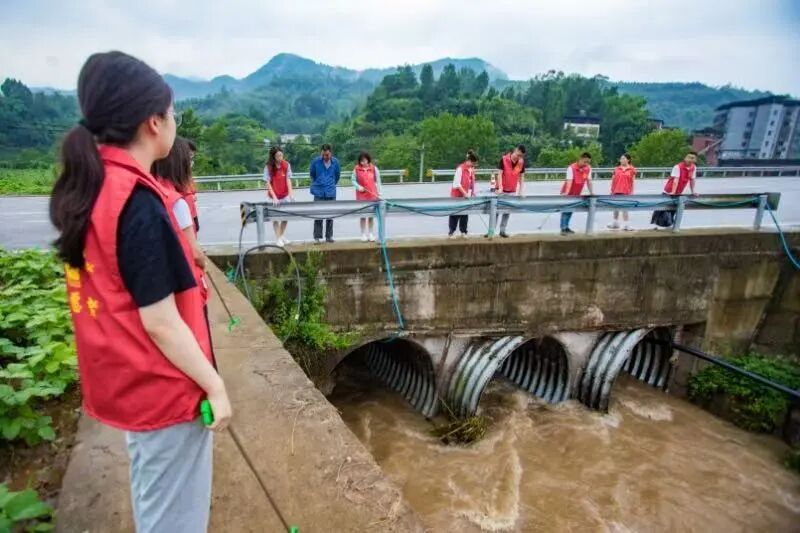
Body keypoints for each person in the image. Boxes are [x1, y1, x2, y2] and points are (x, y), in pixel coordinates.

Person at [48, 51, 231, 533]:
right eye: (172, 113)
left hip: (129, 380)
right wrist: (214, 384)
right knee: (175, 520)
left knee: (156, 499)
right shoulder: (139, 202)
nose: (174, 122)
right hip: (163, 389)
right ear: (154, 122)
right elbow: (161, 320)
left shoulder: (93, 186)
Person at [152, 137, 206, 271]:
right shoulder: (175, 200)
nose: (191, 162)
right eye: (189, 158)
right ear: (179, 161)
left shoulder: (151, 187)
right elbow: (194, 253)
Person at [651, 151, 699, 229]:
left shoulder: (693, 168)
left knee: (673, 209)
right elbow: (675, 180)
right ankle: (657, 225)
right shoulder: (678, 167)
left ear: (695, 160)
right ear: (685, 158)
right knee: (662, 208)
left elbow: (692, 180)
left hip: (679, 192)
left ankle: (669, 225)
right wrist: (673, 192)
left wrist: (693, 191)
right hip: (669, 190)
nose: (690, 159)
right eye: (688, 157)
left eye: (692, 158)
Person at [309, 143, 340, 243]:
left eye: (326, 155)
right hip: (319, 192)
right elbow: (312, 174)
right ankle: (317, 237)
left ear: (331, 153)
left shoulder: (336, 162)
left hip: (331, 191)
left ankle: (329, 236)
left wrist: (330, 184)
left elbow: (337, 176)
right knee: (318, 214)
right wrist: (319, 183)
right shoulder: (315, 162)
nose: (324, 157)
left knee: (330, 214)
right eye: (323, 154)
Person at [264, 146, 295, 246]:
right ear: (273, 157)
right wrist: (274, 197)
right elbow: (268, 183)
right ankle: (278, 238)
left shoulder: (286, 165)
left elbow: (288, 179)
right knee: (275, 218)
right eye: (278, 156)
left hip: (284, 195)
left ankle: (280, 236)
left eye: (281, 155)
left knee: (286, 217)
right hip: (273, 195)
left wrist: (291, 194)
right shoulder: (268, 167)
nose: (280, 157)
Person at [493, 144, 526, 238]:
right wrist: (500, 187)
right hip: (501, 190)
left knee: (507, 212)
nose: (519, 157)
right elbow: (499, 174)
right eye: (518, 155)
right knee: (496, 211)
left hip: (512, 190)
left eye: (521, 156)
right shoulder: (504, 159)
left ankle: (502, 231)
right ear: (516, 150)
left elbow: (522, 177)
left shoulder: (521, 162)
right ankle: (491, 231)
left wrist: (520, 191)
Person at [560, 152, 595, 235]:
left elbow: (589, 181)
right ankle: (563, 228)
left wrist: (592, 192)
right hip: (568, 192)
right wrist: (567, 193)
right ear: (580, 159)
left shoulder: (588, 168)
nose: (586, 164)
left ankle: (566, 227)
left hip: (577, 193)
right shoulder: (571, 168)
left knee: (571, 210)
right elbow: (569, 182)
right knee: (566, 210)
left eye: (588, 162)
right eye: (585, 162)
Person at [351, 151, 382, 242]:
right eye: (361, 161)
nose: (363, 163)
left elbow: (378, 181)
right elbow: (353, 180)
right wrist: (358, 187)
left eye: (364, 160)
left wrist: (379, 193)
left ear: (368, 160)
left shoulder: (374, 169)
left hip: (372, 195)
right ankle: (363, 234)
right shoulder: (356, 169)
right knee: (363, 215)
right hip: (361, 196)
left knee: (371, 215)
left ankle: (371, 234)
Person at [448, 150, 478, 238]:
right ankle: (451, 232)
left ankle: (463, 231)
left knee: (465, 214)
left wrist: (473, 192)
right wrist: (465, 193)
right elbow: (457, 184)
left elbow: (471, 182)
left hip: (466, 196)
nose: (473, 165)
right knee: (455, 214)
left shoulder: (471, 170)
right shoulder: (460, 169)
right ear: (469, 161)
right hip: (457, 195)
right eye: (473, 163)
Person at [608, 153, 637, 231]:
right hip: (616, 190)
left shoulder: (632, 169)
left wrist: (632, 191)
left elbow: (633, 182)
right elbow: (613, 180)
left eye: (624, 158)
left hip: (626, 191)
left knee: (625, 208)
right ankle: (615, 223)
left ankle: (626, 225)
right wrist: (611, 190)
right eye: (621, 159)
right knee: (615, 207)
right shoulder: (616, 169)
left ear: (628, 160)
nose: (622, 160)